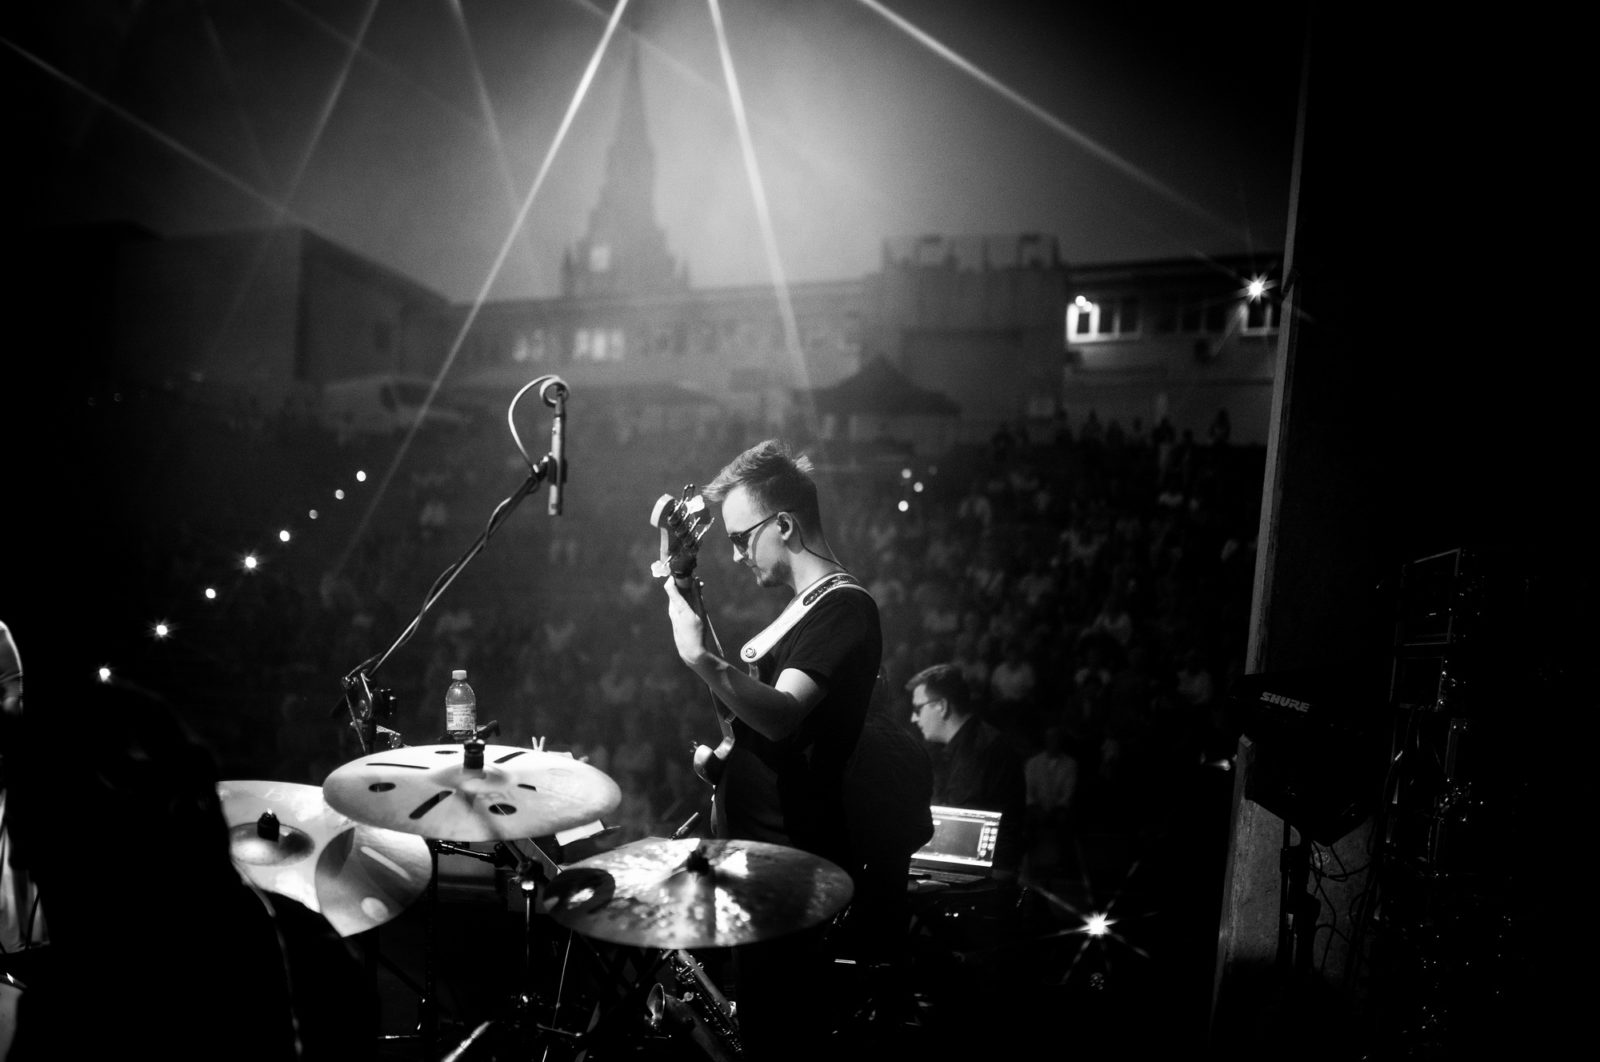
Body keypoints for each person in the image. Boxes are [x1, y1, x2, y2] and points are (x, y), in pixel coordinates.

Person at [661, 439, 931, 1057]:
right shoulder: (804, 610)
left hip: (792, 867)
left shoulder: (844, 608)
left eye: (741, 538)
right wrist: (686, 593)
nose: (736, 554)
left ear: (783, 525)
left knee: (781, 1039)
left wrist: (702, 660)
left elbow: (782, 716)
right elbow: (751, 719)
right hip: (764, 864)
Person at [906, 663, 1026, 881]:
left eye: (918, 709)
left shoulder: (978, 750)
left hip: (986, 874)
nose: (914, 719)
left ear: (941, 706)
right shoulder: (972, 743)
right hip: (979, 868)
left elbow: (959, 818)